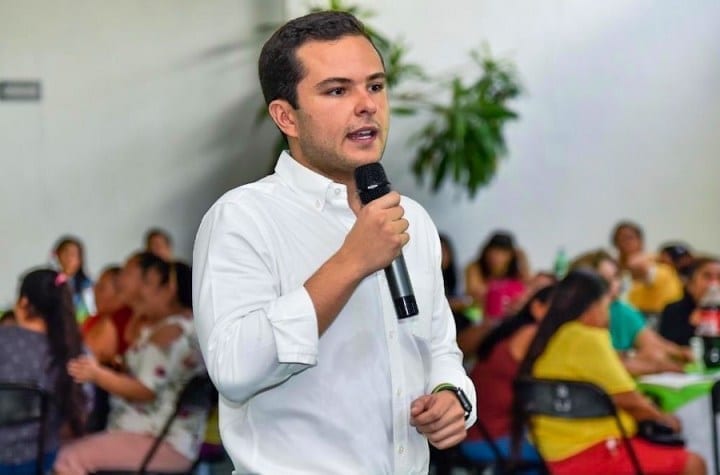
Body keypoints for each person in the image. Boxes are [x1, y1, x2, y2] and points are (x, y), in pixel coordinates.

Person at [192, 11, 476, 474]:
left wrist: (451, 395)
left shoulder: (412, 220)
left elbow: (440, 349)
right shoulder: (243, 218)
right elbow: (234, 369)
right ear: (287, 116)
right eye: (338, 91)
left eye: (375, 86)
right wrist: (350, 262)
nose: (367, 105)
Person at [512, 270, 705, 475]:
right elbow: (630, 401)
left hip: (555, 457)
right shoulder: (588, 337)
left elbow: (615, 369)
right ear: (593, 308)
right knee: (693, 462)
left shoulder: (551, 338)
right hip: (597, 452)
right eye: (607, 305)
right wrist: (664, 418)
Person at [55, 257, 205, 474]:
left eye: (149, 285)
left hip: (160, 441)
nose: (141, 291)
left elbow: (146, 390)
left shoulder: (172, 332)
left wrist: (97, 374)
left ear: (168, 290)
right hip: (147, 434)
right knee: (63, 445)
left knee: (66, 460)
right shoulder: (167, 327)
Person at [0, 269, 86, 473]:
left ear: (23, 303)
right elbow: (81, 410)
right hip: (38, 460)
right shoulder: (74, 351)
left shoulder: (3, 340)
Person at [460, 285, 555, 469]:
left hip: (477, 433)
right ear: (537, 308)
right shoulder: (531, 335)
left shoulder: (512, 330)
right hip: (492, 439)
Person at [571, 250, 692, 375]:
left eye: (616, 276)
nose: (614, 285)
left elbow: (653, 344)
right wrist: (652, 365)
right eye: (604, 280)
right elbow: (603, 364)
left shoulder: (621, 310)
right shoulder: (577, 317)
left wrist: (679, 352)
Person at [611, 221, 683, 316]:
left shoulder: (659, 268)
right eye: (619, 239)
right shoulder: (616, 270)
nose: (624, 243)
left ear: (640, 241)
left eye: (629, 238)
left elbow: (638, 266)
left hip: (655, 316)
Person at [465, 231, 530, 320]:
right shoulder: (475, 267)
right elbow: (475, 292)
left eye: (502, 253)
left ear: (511, 255)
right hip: (478, 315)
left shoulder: (515, 272)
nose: (495, 257)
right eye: (493, 251)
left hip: (507, 316)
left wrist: (523, 260)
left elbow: (529, 287)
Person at [659, 257, 720, 346]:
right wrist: (691, 325)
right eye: (707, 276)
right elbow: (666, 345)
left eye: (719, 277)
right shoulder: (674, 310)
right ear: (691, 284)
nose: (714, 284)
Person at [53, 236, 96, 323]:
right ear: (58, 255)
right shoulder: (51, 281)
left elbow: (92, 311)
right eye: (65, 253)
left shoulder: (87, 284)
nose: (69, 258)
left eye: (73, 255)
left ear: (80, 259)